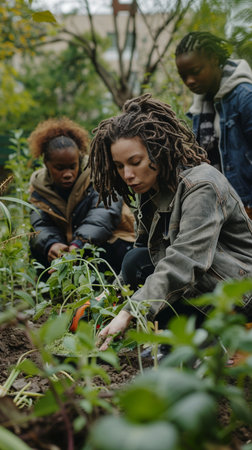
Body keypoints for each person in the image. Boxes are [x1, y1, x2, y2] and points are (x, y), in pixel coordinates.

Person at [88, 93, 252, 350]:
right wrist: (108, 296)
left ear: (158, 152)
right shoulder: (151, 188)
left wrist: (130, 311)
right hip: (201, 287)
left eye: (135, 162)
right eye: (119, 166)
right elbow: (141, 252)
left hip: (238, 294)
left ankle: (204, 342)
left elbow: (186, 260)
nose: (128, 175)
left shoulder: (202, 185)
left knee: (172, 262)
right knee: (137, 261)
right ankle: (177, 338)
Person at [28, 117, 135, 274]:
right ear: (46, 164)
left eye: (72, 167)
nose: (68, 174)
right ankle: (53, 296)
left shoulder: (98, 174)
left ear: (79, 160)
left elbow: (104, 214)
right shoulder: (39, 186)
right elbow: (40, 224)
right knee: (38, 247)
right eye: (59, 168)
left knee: (111, 251)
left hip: (108, 241)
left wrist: (79, 243)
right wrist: (52, 244)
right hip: (69, 246)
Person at [175, 31, 252, 219]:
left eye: (195, 72)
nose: (189, 81)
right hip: (221, 207)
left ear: (214, 58)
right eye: (183, 76)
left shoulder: (244, 97)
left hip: (245, 205)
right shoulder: (201, 106)